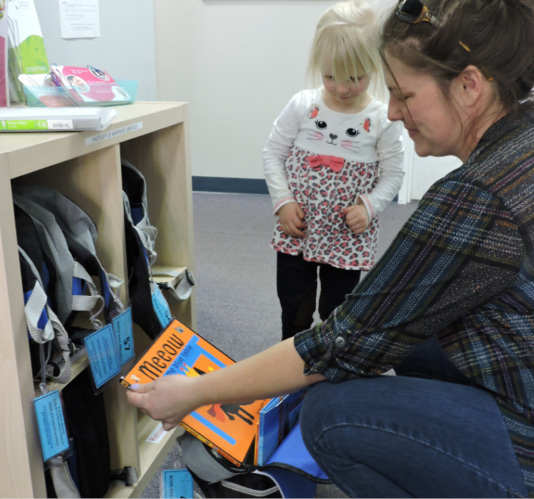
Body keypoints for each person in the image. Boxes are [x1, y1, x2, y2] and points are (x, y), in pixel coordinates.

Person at [127, 0, 534, 496]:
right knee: (412, 336)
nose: (391, 111)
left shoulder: (476, 198)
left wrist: (193, 392)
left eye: (404, 95)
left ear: (469, 86)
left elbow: (341, 341)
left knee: (329, 414)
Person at [263, 0, 404, 340]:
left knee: (337, 308)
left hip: (346, 237)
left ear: (375, 65)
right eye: (330, 76)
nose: (341, 88)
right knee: (294, 303)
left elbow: (393, 174)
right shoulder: (302, 106)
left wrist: (369, 207)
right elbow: (272, 154)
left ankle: (329, 359)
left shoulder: (382, 119)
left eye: (354, 78)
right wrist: (282, 202)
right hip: (297, 230)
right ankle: (290, 354)